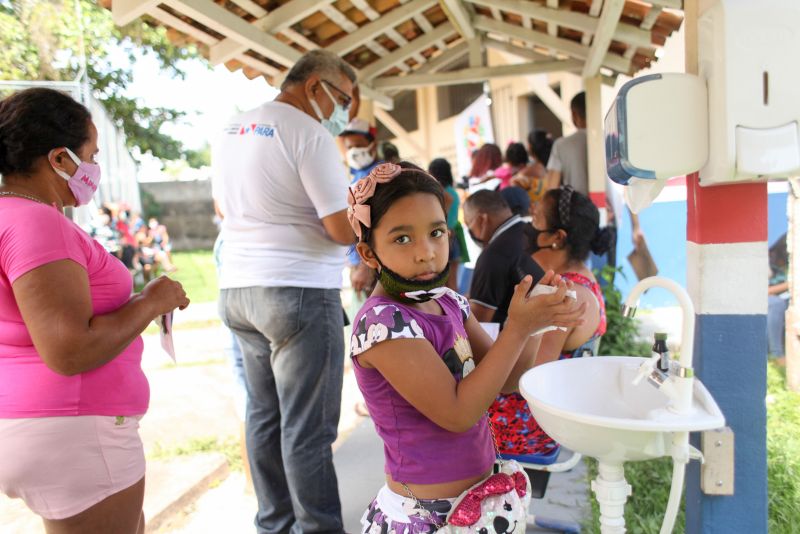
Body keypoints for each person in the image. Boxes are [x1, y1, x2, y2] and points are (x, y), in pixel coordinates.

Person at [346, 161, 583, 533]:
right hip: (427, 516)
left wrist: (539, 318)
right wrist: (517, 329)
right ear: (368, 252)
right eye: (402, 238)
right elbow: (458, 413)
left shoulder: (448, 301)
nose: (426, 252)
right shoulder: (383, 324)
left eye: (436, 232)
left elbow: (505, 379)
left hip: (478, 500)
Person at [0, 87, 189, 534]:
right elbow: (69, 350)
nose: (95, 169)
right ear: (60, 159)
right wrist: (150, 303)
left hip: (43, 424)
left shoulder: (12, 215)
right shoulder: (38, 221)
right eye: (92, 155)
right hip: (74, 430)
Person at [212, 49, 357, 534]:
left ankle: (273, 525)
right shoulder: (308, 134)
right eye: (343, 101)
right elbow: (340, 228)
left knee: (265, 417)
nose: (344, 115)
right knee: (308, 429)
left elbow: (221, 205)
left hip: (238, 290)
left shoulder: (233, 128)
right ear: (315, 86)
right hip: (297, 293)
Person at [489, 186, 612, 457]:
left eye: (536, 221)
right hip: (538, 417)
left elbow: (530, 381)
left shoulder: (562, 295)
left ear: (557, 237)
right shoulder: (582, 280)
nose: (528, 230)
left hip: (527, 428)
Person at [463, 190, 545, 324]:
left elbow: (478, 321)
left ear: (482, 220)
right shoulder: (531, 233)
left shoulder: (493, 255)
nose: (470, 231)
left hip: (516, 339)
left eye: (469, 224)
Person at [340, 118, 380, 301]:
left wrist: (365, 266)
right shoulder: (356, 175)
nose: (353, 152)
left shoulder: (380, 175)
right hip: (359, 262)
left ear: (373, 145)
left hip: (372, 264)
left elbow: (378, 222)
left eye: (358, 145)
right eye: (349, 147)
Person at [428, 157, 469, 291]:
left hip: (445, 238)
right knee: (452, 284)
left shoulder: (442, 193)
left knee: (445, 286)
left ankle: (454, 311)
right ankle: (459, 310)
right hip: (454, 237)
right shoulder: (453, 191)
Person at [511, 129, 553, 205]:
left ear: (530, 146)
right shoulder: (553, 167)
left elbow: (513, 184)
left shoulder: (531, 170)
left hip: (536, 212)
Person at [768, 233, 789, 361]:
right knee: (777, 304)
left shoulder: (781, 269)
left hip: (783, 300)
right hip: (768, 304)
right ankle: (777, 354)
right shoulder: (764, 263)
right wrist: (789, 285)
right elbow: (761, 292)